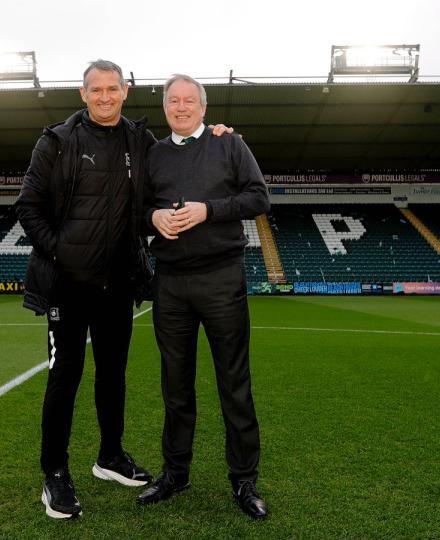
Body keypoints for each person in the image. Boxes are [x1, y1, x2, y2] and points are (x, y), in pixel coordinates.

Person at [15, 60, 232, 520]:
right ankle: (55, 472)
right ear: (83, 93)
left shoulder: (141, 140)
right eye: (97, 90)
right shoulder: (55, 141)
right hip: (66, 286)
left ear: (126, 91)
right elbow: (28, 206)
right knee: (65, 377)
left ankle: (109, 457)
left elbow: (179, 161)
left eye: (113, 89)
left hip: (117, 283)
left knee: (113, 375)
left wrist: (215, 134)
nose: (106, 97)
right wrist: (60, 253)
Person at [136, 74, 270, 519]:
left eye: (188, 100)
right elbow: (135, 211)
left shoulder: (228, 144)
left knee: (234, 383)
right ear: (165, 107)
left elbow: (258, 198)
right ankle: (176, 473)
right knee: (175, 386)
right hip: (170, 281)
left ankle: (244, 480)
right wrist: (154, 215)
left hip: (220, 278)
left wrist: (209, 209)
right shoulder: (153, 154)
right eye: (172, 100)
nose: (180, 107)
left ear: (203, 107)